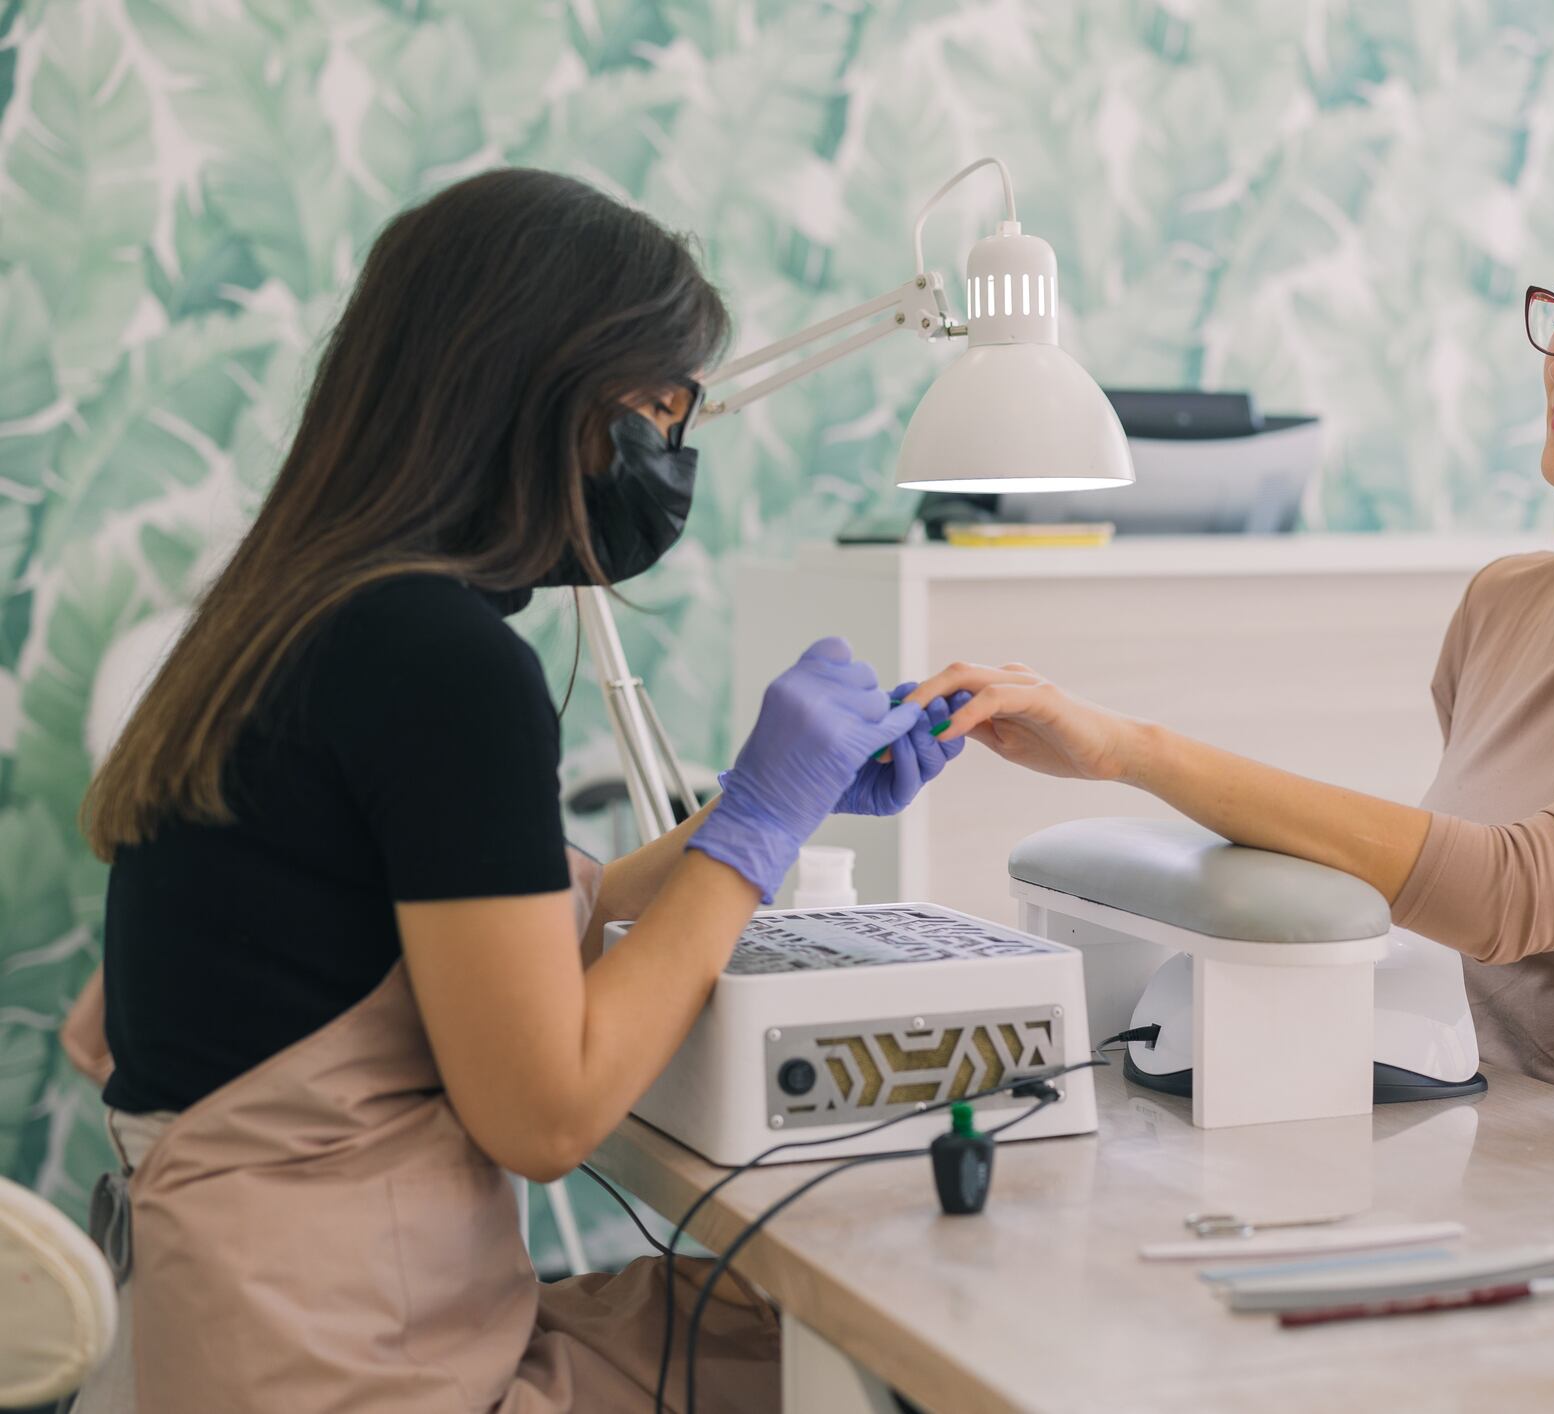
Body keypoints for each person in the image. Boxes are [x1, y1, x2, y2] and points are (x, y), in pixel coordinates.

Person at [72, 167, 966, 1411]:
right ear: (544, 394)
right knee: (894, 1362)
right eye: (658, 412)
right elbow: (545, 1118)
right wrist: (756, 826)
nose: (669, 453)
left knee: (826, 1334)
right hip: (355, 1375)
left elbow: (466, 925)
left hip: (238, 1329)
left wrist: (779, 805)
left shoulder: (296, 618)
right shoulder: (441, 667)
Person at [908, 158, 1554, 1124]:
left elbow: (1517, 893)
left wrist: (1131, 751)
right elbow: (1460, 926)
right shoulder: (1506, 605)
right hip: (1468, 1131)